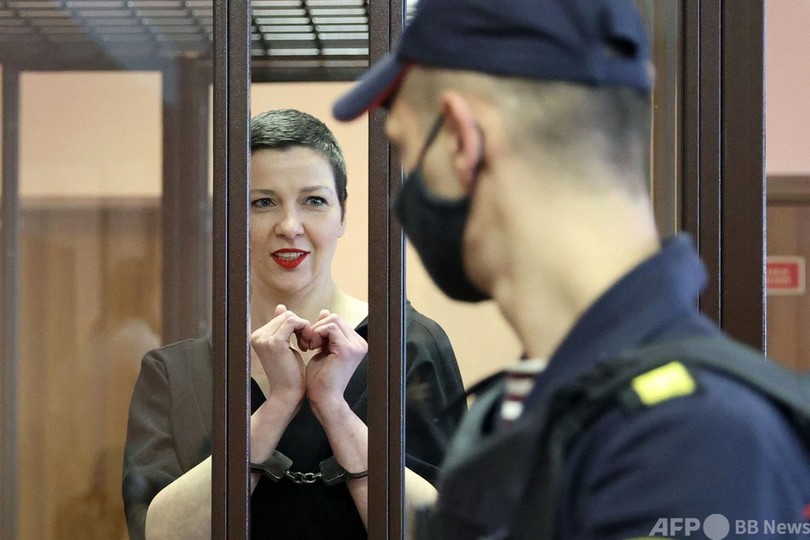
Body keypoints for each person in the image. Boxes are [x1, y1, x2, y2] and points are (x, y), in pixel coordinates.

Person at [333, 0, 810, 538]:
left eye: (405, 149)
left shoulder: (689, 437)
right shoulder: (538, 404)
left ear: (463, 141)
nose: (404, 193)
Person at [122, 109, 464, 539]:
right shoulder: (175, 373)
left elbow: (452, 529)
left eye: (314, 201)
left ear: (343, 215)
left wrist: (334, 410)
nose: (289, 226)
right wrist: (278, 405)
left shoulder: (410, 346)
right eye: (262, 202)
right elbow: (155, 532)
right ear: (230, 219)